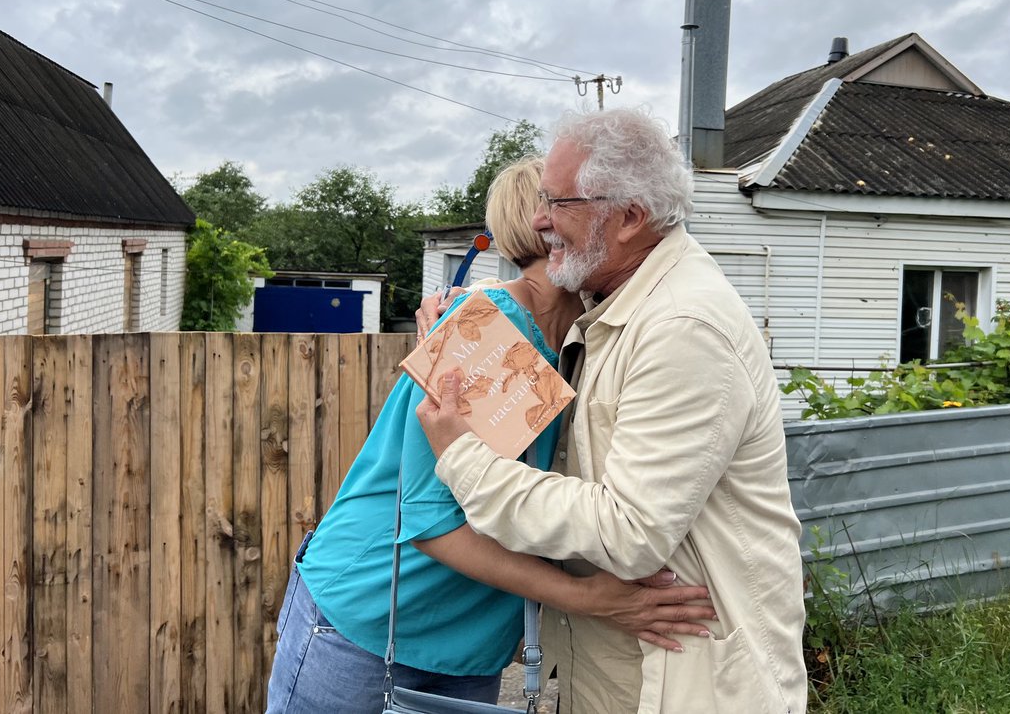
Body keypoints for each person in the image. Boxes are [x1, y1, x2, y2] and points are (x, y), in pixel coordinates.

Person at [265, 157, 716, 714]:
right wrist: (589, 600)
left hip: (466, 645)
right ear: (547, 223)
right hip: (371, 621)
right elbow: (431, 524)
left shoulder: (581, 342)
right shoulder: (491, 334)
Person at [416, 110, 808, 713]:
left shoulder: (683, 327)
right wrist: (474, 312)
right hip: (624, 667)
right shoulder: (621, 299)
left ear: (629, 217)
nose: (540, 219)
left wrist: (463, 458)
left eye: (558, 202)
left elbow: (630, 532)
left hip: (685, 678)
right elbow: (545, 299)